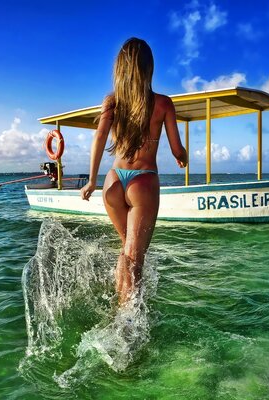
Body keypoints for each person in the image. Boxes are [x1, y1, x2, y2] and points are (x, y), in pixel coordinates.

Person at [80, 38, 188, 304]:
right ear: (148, 68)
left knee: (126, 249)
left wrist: (92, 180)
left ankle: (119, 304)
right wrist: (182, 157)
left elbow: (99, 140)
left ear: (121, 69)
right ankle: (128, 325)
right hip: (143, 182)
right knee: (135, 259)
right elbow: (177, 149)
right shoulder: (163, 103)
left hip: (113, 181)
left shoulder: (112, 102)